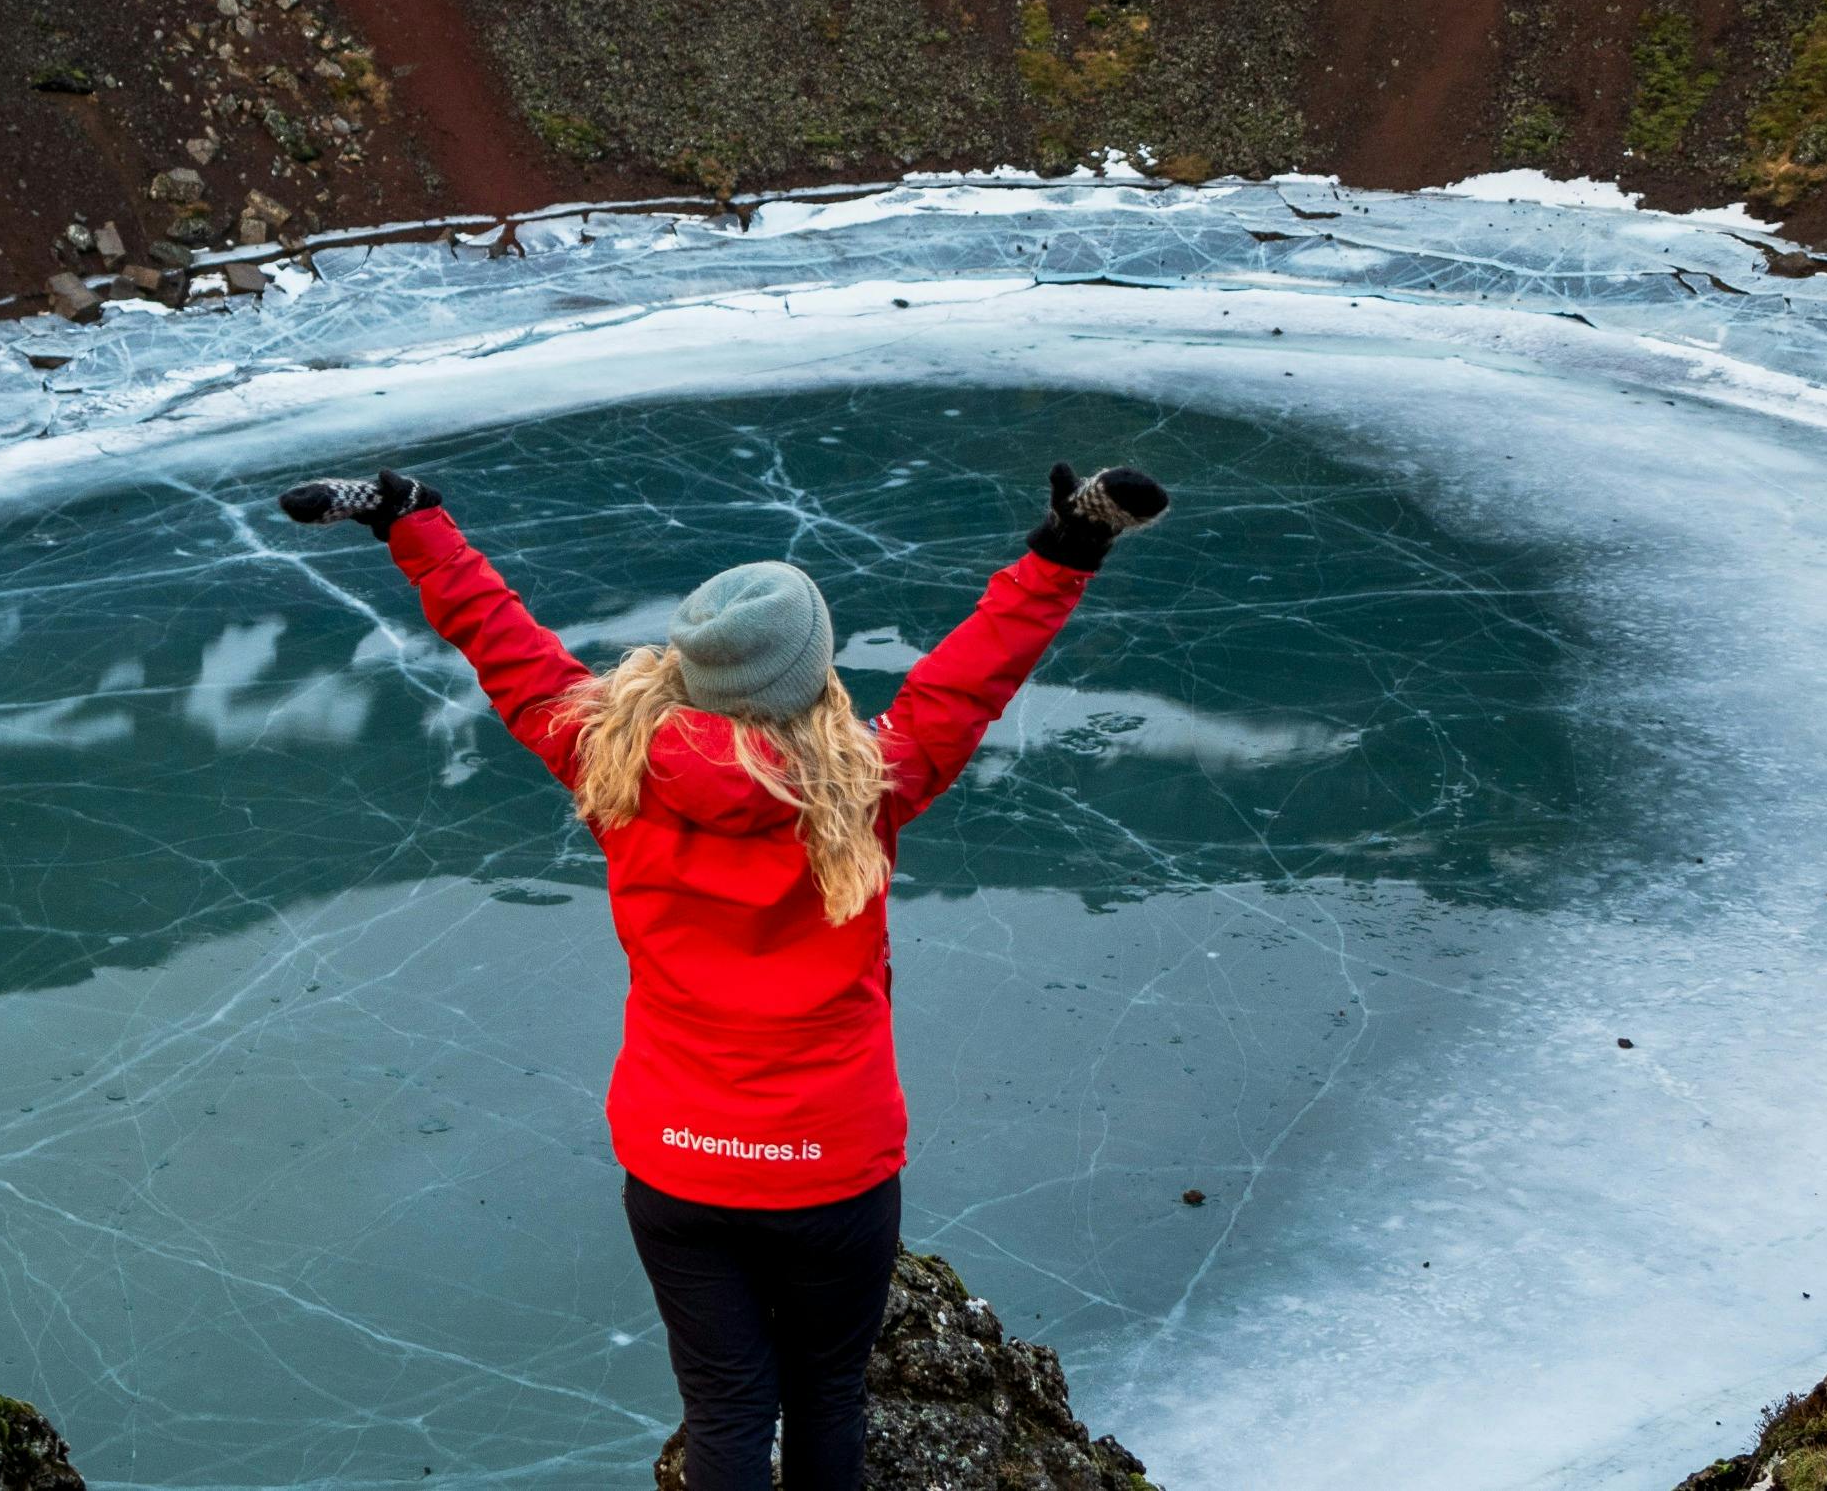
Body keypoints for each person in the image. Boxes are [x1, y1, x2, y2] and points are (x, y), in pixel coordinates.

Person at [278, 456, 1172, 1491]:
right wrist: (1067, 549)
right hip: (834, 1166)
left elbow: (504, 647)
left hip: (680, 1164)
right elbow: (971, 676)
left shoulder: (609, 761)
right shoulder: (870, 783)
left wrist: (410, 521)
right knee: (827, 1397)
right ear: (811, 674)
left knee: (727, 1407)